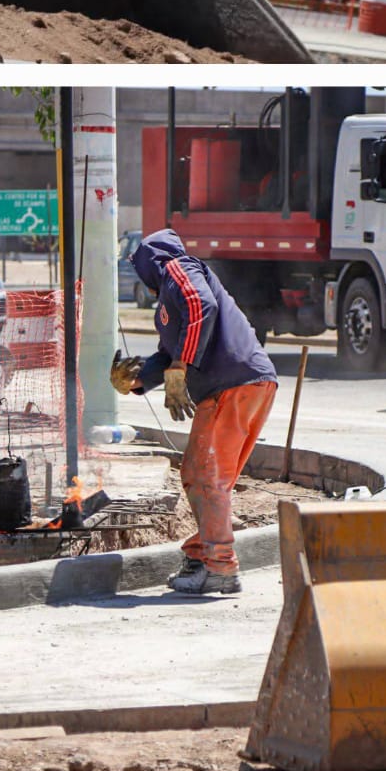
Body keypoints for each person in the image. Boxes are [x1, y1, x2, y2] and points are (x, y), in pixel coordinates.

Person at [111, 228, 278, 596]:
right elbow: (168, 354)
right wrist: (136, 381)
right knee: (207, 476)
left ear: (149, 263)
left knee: (204, 476)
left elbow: (203, 307)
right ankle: (203, 555)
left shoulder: (178, 268)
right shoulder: (172, 298)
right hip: (246, 384)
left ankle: (220, 567)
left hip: (231, 385)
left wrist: (179, 368)